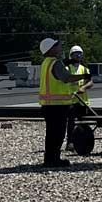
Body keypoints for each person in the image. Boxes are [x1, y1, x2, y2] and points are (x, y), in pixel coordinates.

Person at [37, 36, 80, 167]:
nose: (59, 48)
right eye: (57, 46)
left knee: (51, 133)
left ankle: (49, 158)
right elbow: (66, 78)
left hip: (48, 105)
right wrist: (85, 76)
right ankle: (53, 159)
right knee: (58, 133)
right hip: (57, 106)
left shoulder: (46, 63)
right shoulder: (55, 63)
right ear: (51, 49)